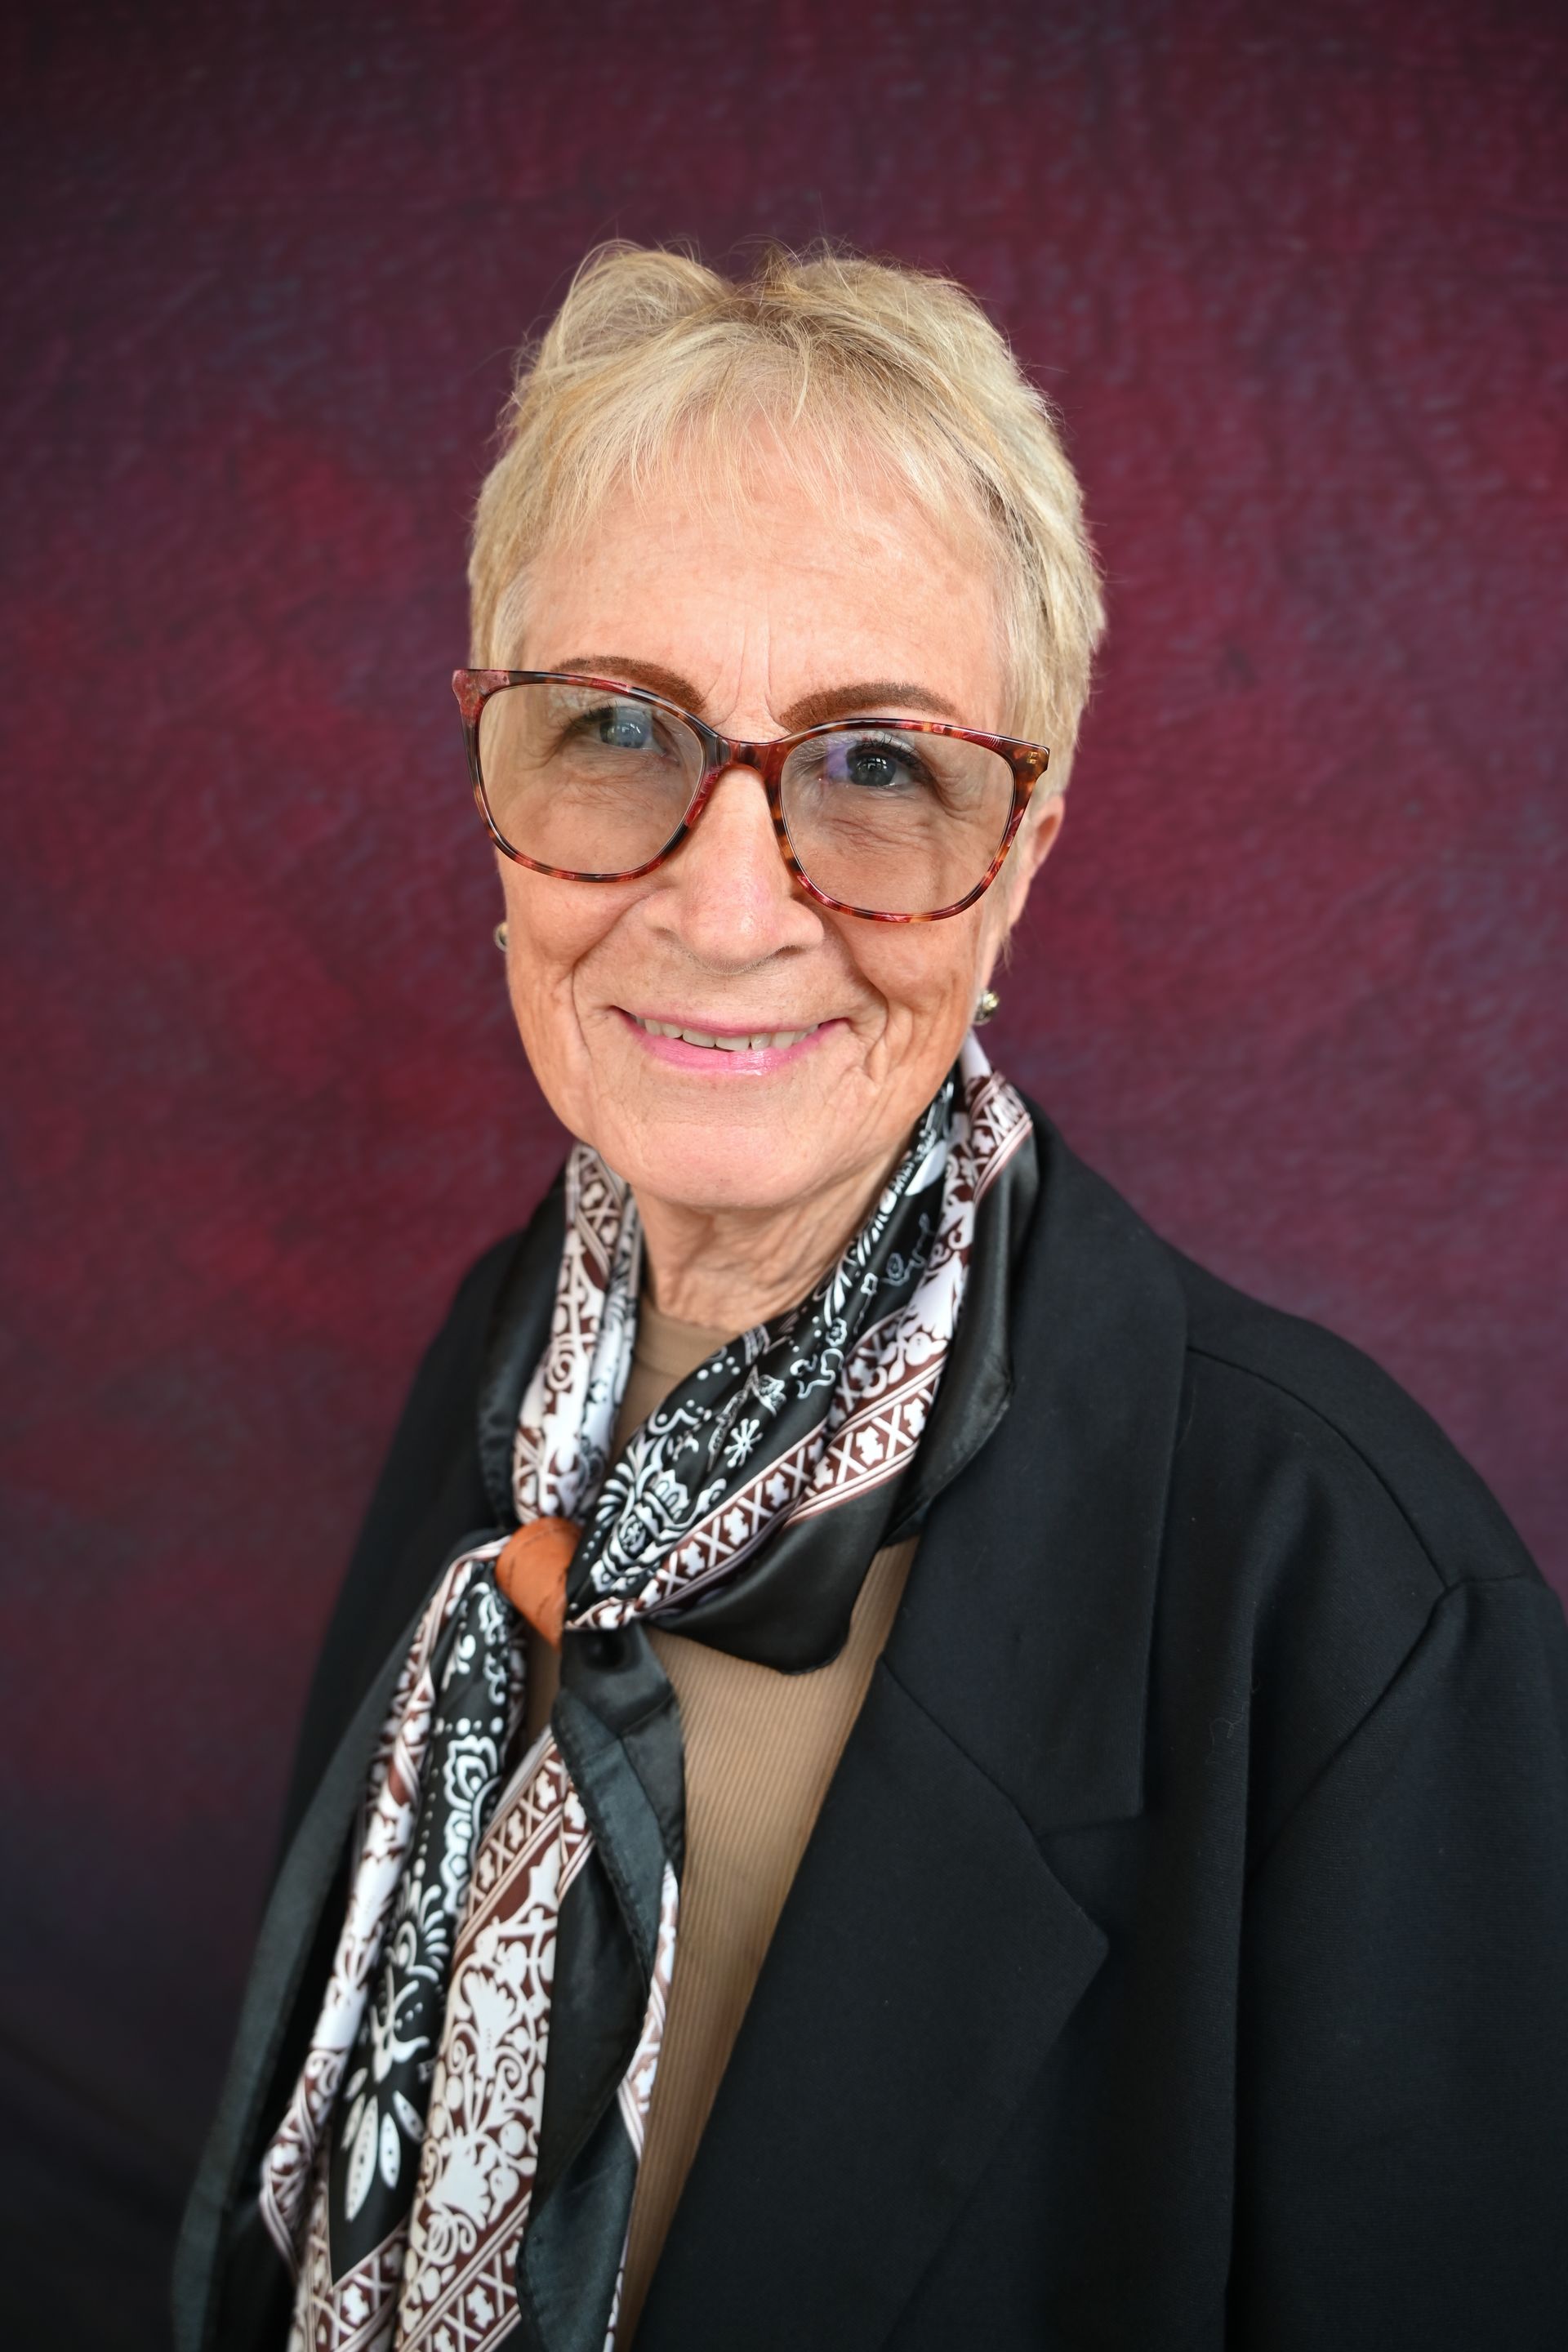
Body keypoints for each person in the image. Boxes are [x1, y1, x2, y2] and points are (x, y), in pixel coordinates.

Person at [175, 244, 1568, 2352]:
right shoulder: (502, 1360)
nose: (728, 909)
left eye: (881, 769)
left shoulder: (1358, 1599)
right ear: (495, 785)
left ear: (1025, 851)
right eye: (619, 731)